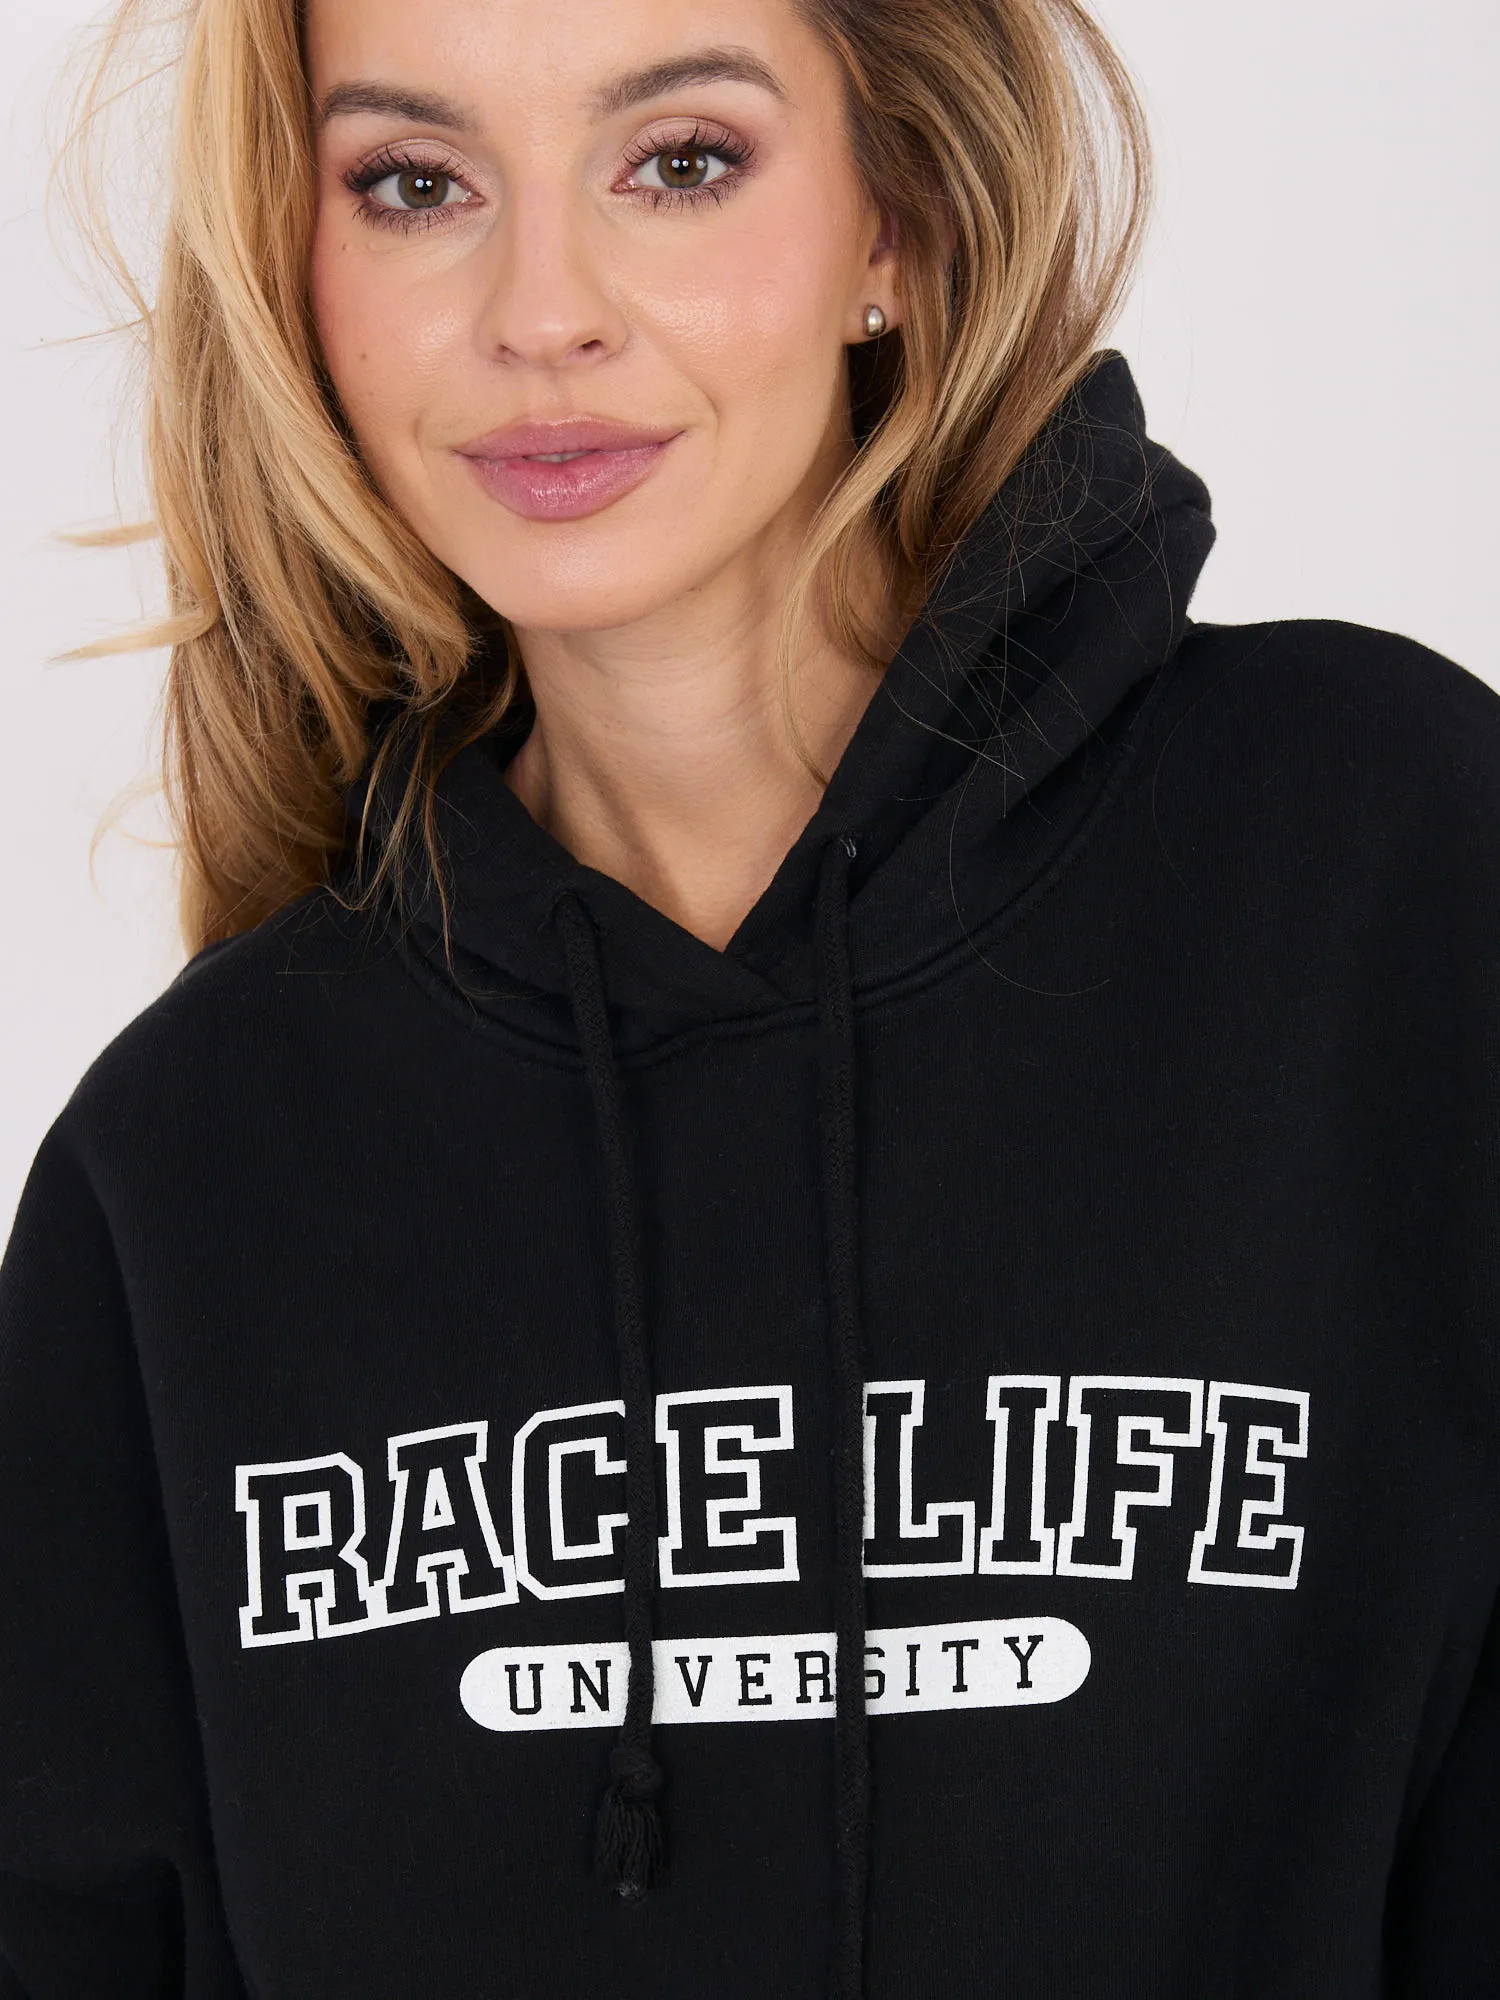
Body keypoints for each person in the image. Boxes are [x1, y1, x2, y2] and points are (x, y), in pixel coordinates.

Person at [1, 0, 1496, 1993]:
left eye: (680, 162)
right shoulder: (191, 1169)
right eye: (415, 184)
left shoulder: (1381, 875)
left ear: (901, 219)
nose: (544, 311)